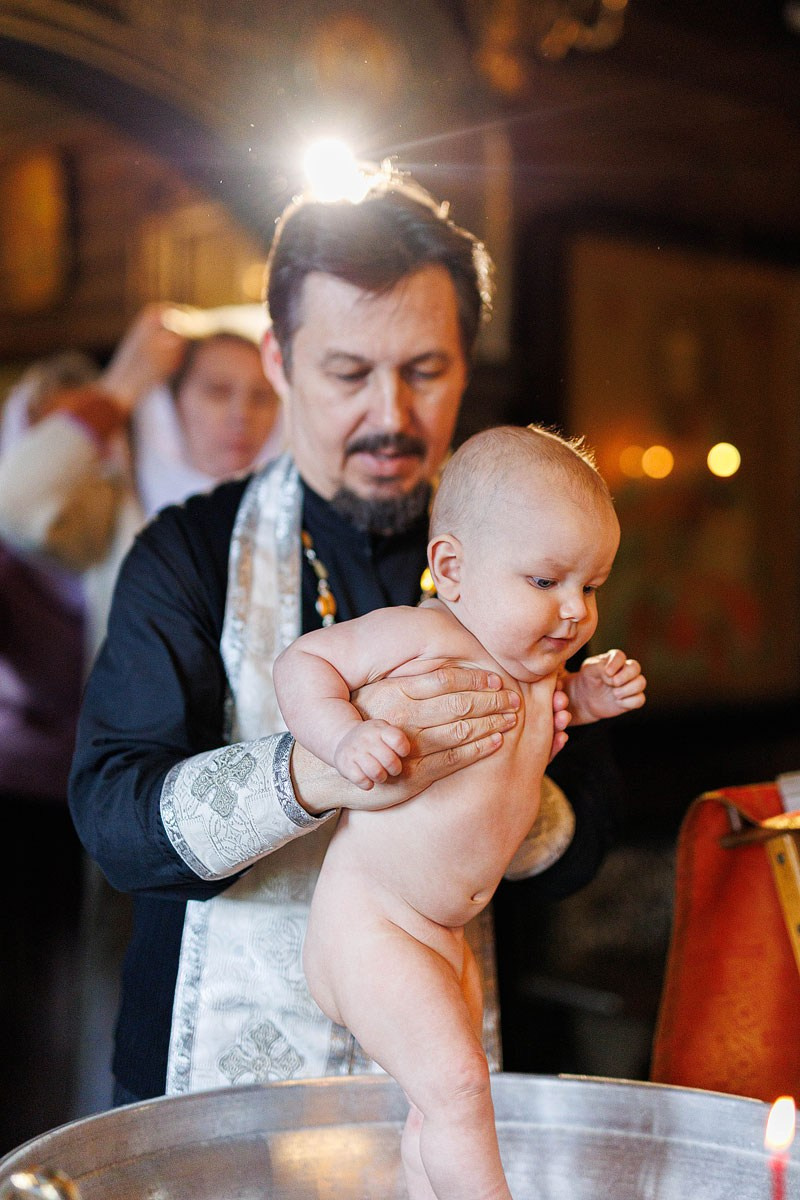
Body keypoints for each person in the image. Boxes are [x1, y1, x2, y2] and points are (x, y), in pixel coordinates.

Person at [69, 164, 623, 1107]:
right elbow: (117, 821)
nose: (391, 417)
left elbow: (585, 838)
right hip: (216, 1082)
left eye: (425, 370)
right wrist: (313, 770)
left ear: (466, 359)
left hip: (450, 1050)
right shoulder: (190, 553)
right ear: (281, 362)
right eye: (347, 373)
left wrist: (495, 770)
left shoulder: (533, 553)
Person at [274, 424, 645, 1200]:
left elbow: (537, 734)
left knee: (434, 1109)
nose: (574, 611)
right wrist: (345, 739)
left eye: (592, 585)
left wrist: (589, 698)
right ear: (452, 569)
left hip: (442, 934)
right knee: (461, 1088)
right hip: (371, 923)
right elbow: (303, 662)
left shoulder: (542, 677)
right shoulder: (424, 638)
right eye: (545, 582)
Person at [0, 308, 283, 660]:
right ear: (174, 402)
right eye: (217, 391)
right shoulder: (123, 505)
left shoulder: (293, 500)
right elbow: (15, 504)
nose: (242, 414)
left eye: (262, 396)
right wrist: (120, 389)